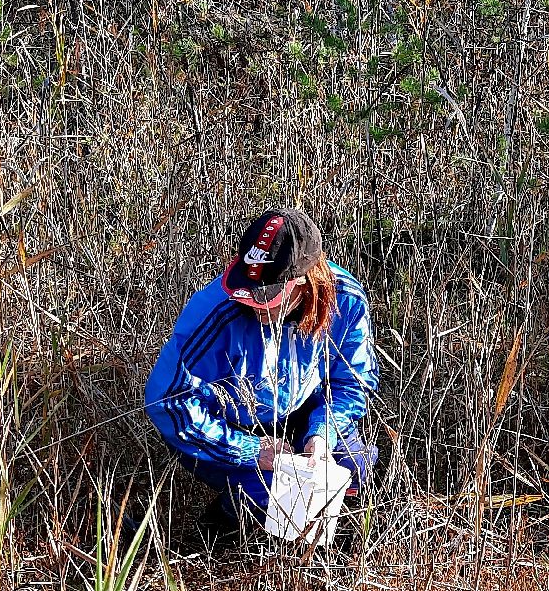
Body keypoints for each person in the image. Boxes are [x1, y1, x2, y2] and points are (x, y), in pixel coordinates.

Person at [145, 208, 379, 542]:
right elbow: (168, 400)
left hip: (303, 415)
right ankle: (221, 526)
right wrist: (251, 450)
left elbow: (352, 381)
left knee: (354, 471)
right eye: (245, 287)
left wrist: (321, 436)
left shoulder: (345, 300)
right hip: (229, 425)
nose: (250, 302)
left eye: (266, 294)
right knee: (279, 499)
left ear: (304, 281)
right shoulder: (214, 313)